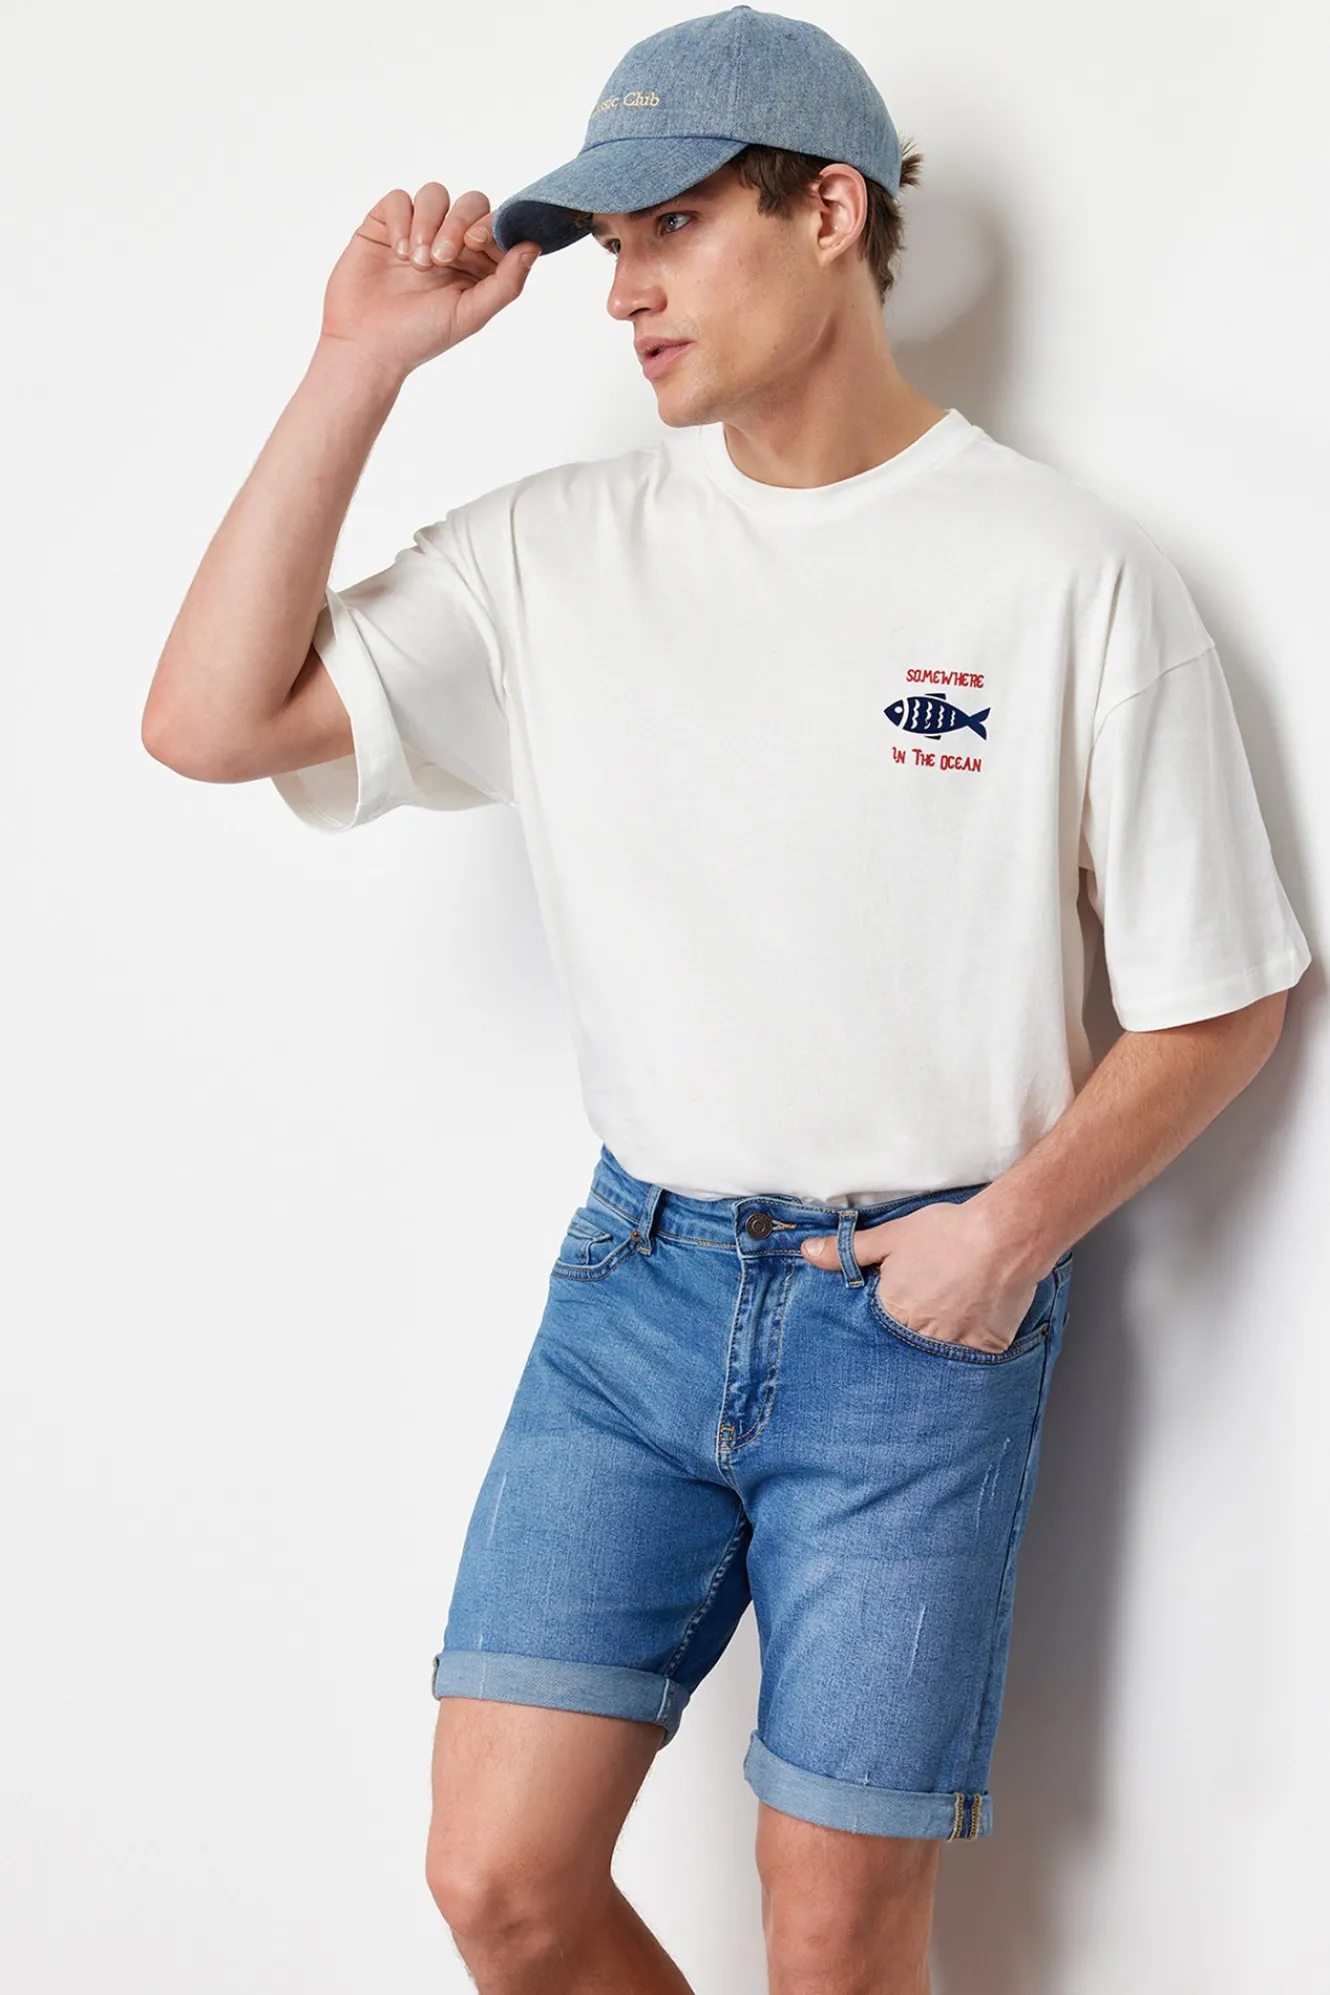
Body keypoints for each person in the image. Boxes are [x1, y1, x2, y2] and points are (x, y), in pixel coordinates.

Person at [141, 7, 1312, 1990]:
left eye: (671, 228)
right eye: (609, 248)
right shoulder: (554, 555)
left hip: (911, 1327)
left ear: (828, 212)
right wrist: (359, 363)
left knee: (834, 1941)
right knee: (500, 1881)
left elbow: (1225, 996)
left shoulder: (1065, 573)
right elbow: (206, 720)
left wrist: (1004, 1237)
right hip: (634, 1289)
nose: (625, 292)